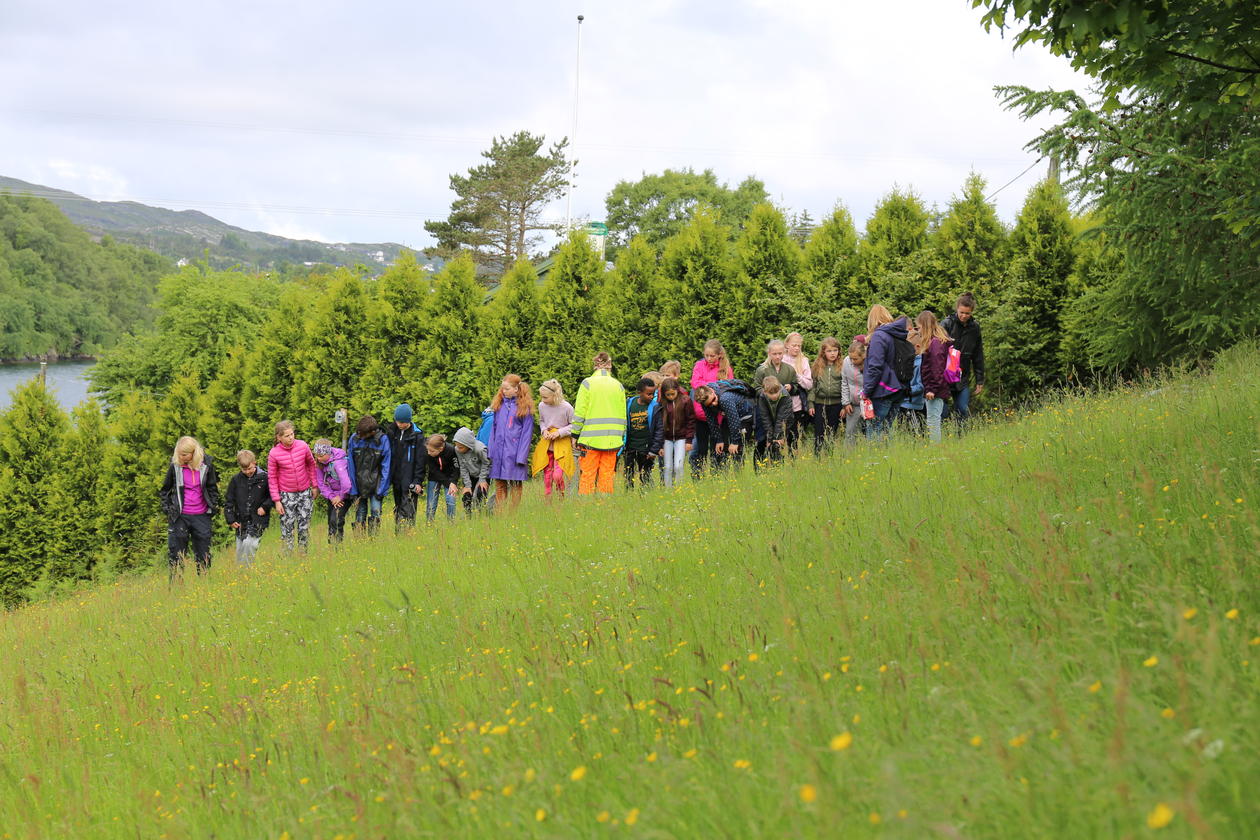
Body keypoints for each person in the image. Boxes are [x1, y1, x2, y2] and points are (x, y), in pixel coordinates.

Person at [159, 436, 221, 577]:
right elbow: (165, 490)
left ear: (194, 453)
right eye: (179, 454)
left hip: (202, 516)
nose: (181, 457)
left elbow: (212, 487)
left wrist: (212, 506)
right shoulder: (174, 465)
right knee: (176, 554)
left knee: (204, 554)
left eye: (184, 454)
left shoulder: (207, 464)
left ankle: (204, 585)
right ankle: (176, 587)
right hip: (180, 517)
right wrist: (168, 509)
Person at [572, 351, 627, 495]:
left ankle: (586, 507)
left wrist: (575, 434)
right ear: (610, 366)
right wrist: (622, 435)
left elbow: (579, 412)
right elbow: (623, 414)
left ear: (594, 365)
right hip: (612, 440)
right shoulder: (618, 385)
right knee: (607, 474)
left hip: (590, 439)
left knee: (588, 474)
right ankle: (604, 506)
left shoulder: (587, 383)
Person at [267, 420, 318, 551]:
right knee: (287, 527)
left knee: (304, 525)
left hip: (305, 492)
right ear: (279, 437)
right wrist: (277, 501)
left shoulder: (302, 446)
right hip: (286, 495)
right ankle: (287, 557)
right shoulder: (274, 453)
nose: (291, 438)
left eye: (292, 434)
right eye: (287, 436)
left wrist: (314, 486)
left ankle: (303, 554)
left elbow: (311, 465)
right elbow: (272, 478)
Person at [487, 374, 535, 510]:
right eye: (502, 389)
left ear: (516, 389)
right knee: (500, 485)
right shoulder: (499, 406)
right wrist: (491, 451)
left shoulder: (524, 408)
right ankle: (500, 513)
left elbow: (527, 434)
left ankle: (513, 514)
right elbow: (494, 429)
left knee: (515, 484)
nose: (503, 391)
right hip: (499, 453)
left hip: (514, 454)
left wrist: (521, 457)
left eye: (507, 389)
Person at [862, 307, 910, 442]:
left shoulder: (879, 336)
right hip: (899, 388)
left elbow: (875, 367)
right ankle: (886, 459)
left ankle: (874, 460)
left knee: (874, 428)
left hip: (883, 390)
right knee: (887, 429)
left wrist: (866, 390)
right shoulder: (897, 333)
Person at [690, 339, 734, 475]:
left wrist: (706, 385)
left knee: (718, 448)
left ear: (719, 354)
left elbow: (727, 388)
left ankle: (718, 476)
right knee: (700, 449)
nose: (709, 358)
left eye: (712, 356)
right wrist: (714, 384)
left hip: (718, 416)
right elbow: (695, 383)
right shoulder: (699, 365)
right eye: (706, 355)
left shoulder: (726, 369)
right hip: (700, 416)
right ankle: (698, 477)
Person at [941, 292, 985, 423]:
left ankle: (961, 438)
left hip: (963, 376)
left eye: (967, 313)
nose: (964, 316)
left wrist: (980, 380)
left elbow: (978, 355)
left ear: (972, 312)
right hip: (945, 375)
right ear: (957, 309)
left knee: (963, 410)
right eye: (961, 312)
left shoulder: (975, 327)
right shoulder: (946, 324)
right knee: (942, 412)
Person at [223, 449, 271, 565]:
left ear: (255, 463)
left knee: (250, 544)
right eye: (244, 469)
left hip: (258, 519)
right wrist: (231, 519)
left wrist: (265, 507)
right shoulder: (235, 480)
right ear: (240, 467)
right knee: (240, 547)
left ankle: (247, 571)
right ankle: (240, 573)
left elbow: (273, 496)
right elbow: (229, 501)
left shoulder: (264, 478)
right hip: (241, 520)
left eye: (250, 468)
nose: (248, 471)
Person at [346, 414, 391, 536]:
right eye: (358, 433)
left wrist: (381, 490)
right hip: (359, 485)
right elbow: (351, 466)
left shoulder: (383, 440)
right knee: (360, 513)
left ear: (372, 432)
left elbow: (386, 467)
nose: (359, 436)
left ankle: (373, 541)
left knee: (376, 512)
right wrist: (353, 490)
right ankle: (359, 540)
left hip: (376, 485)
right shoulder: (354, 439)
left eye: (362, 434)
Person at [752, 340, 798, 457]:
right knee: (763, 438)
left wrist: (791, 387)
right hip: (765, 407)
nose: (777, 356)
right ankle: (760, 464)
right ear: (769, 353)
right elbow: (756, 388)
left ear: (784, 353)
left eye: (780, 353)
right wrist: (768, 392)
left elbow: (796, 386)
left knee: (784, 437)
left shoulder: (790, 369)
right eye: (774, 354)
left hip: (783, 407)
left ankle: (782, 463)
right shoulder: (762, 369)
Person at [693, 381, 753, 469]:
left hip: (745, 416)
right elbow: (712, 421)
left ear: (712, 391)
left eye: (713, 400)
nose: (713, 404)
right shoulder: (705, 402)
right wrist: (719, 440)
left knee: (737, 449)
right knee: (723, 447)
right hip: (729, 416)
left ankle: (738, 476)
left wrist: (735, 442)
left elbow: (734, 421)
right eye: (709, 404)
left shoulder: (725, 399)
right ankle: (723, 475)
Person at [916, 310, 954, 444]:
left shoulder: (935, 344)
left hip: (935, 389)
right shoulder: (935, 342)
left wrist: (931, 388)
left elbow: (937, 369)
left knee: (933, 420)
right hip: (935, 388)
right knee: (932, 418)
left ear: (925, 326)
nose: (918, 331)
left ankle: (935, 449)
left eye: (919, 327)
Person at [650, 377, 695, 488]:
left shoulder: (686, 400)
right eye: (668, 395)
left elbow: (691, 421)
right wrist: (660, 445)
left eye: (672, 394)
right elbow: (659, 426)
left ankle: (679, 489)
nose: (670, 397)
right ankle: (668, 491)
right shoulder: (661, 403)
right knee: (668, 467)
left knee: (678, 466)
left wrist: (689, 441)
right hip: (666, 439)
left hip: (681, 438)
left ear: (677, 390)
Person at [385, 404, 424, 529]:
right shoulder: (391, 432)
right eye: (397, 421)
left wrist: (417, 481)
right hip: (396, 477)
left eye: (402, 422)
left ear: (409, 421)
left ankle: (408, 532)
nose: (399, 424)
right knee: (398, 506)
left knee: (409, 507)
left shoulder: (417, 436)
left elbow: (420, 461)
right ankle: (398, 532)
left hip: (410, 479)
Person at [535, 379, 576, 498]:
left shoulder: (567, 407)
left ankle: (561, 496)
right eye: (541, 397)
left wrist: (559, 432)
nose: (543, 400)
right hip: (548, 444)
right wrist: (544, 430)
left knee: (557, 476)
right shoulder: (542, 406)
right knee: (547, 476)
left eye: (545, 397)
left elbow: (574, 425)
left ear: (555, 395)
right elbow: (542, 421)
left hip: (562, 445)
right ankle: (548, 500)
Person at [808, 336, 846, 452]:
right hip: (820, 404)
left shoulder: (843, 366)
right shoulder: (817, 366)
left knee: (832, 431)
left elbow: (845, 386)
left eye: (835, 350)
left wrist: (845, 405)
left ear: (839, 351)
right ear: (823, 352)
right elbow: (813, 386)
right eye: (829, 351)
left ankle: (829, 456)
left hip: (836, 405)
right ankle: (818, 457)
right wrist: (810, 404)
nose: (832, 353)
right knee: (819, 432)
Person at [312, 439, 351, 543]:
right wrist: (331, 496)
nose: (318, 458)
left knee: (336, 520)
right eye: (317, 456)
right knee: (330, 521)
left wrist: (340, 497)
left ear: (328, 453)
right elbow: (321, 483)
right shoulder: (320, 463)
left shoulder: (338, 463)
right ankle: (331, 547)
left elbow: (346, 484)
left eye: (321, 456)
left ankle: (338, 546)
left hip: (344, 496)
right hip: (332, 496)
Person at [624, 377, 658, 489]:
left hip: (646, 448)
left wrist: (654, 449)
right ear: (639, 392)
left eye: (653, 393)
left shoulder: (655, 407)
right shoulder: (629, 403)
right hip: (630, 446)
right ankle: (628, 495)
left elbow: (659, 429)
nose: (652, 396)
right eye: (649, 394)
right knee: (628, 474)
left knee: (645, 475)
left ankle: (646, 495)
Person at [783, 332, 813, 452]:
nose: (796, 348)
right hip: (782, 404)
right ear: (786, 345)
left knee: (794, 436)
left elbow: (809, 384)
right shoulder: (781, 358)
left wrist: (796, 375)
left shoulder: (804, 360)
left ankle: (794, 461)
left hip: (797, 405)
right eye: (794, 345)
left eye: (799, 346)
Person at [453, 426, 492, 515]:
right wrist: (467, 485)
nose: (458, 449)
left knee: (479, 494)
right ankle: (469, 516)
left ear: (468, 444)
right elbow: (462, 466)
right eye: (457, 446)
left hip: (483, 474)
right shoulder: (457, 449)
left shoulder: (480, 449)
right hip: (471, 475)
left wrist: (482, 480)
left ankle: (481, 514)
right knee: (467, 496)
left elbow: (487, 464)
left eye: (461, 447)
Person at [422, 434, 459, 522]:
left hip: (450, 478)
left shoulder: (451, 450)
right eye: (428, 450)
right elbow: (434, 470)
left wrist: (453, 482)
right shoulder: (428, 453)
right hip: (434, 477)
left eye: (431, 451)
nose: (428, 453)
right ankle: (429, 524)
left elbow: (457, 468)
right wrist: (448, 483)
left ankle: (451, 523)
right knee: (431, 503)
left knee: (450, 501)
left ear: (441, 449)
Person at [897, 321, 926, 436]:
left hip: (913, 404)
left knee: (916, 432)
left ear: (917, 347)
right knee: (903, 431)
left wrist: (906, 391)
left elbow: (921, 385)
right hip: (902, 403)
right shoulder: (908, 361)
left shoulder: (920, 364)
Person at [756, 376, 792, 465]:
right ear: (765, 392)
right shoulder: (762, 397)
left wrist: (778, 438)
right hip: (771, 422)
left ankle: (785, 466)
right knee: (768, 445)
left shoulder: (785, 396)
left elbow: (781, 418)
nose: (774, 395)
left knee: (781, 445)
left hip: (786, 422)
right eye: (771, 393)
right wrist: (769, 438)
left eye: (776, 392)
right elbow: (765, 418)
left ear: (779, 388)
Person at [839, 337, 868, 446]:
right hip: (853, 404)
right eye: (851, 358)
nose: (852, 361)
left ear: (863, 356)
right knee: (850, 434)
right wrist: (845, 402)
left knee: (869, 432)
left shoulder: (871, 362)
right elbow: (845, 382)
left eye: (855, 359)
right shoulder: (846, 362)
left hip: (869, 403)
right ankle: (849, 456)